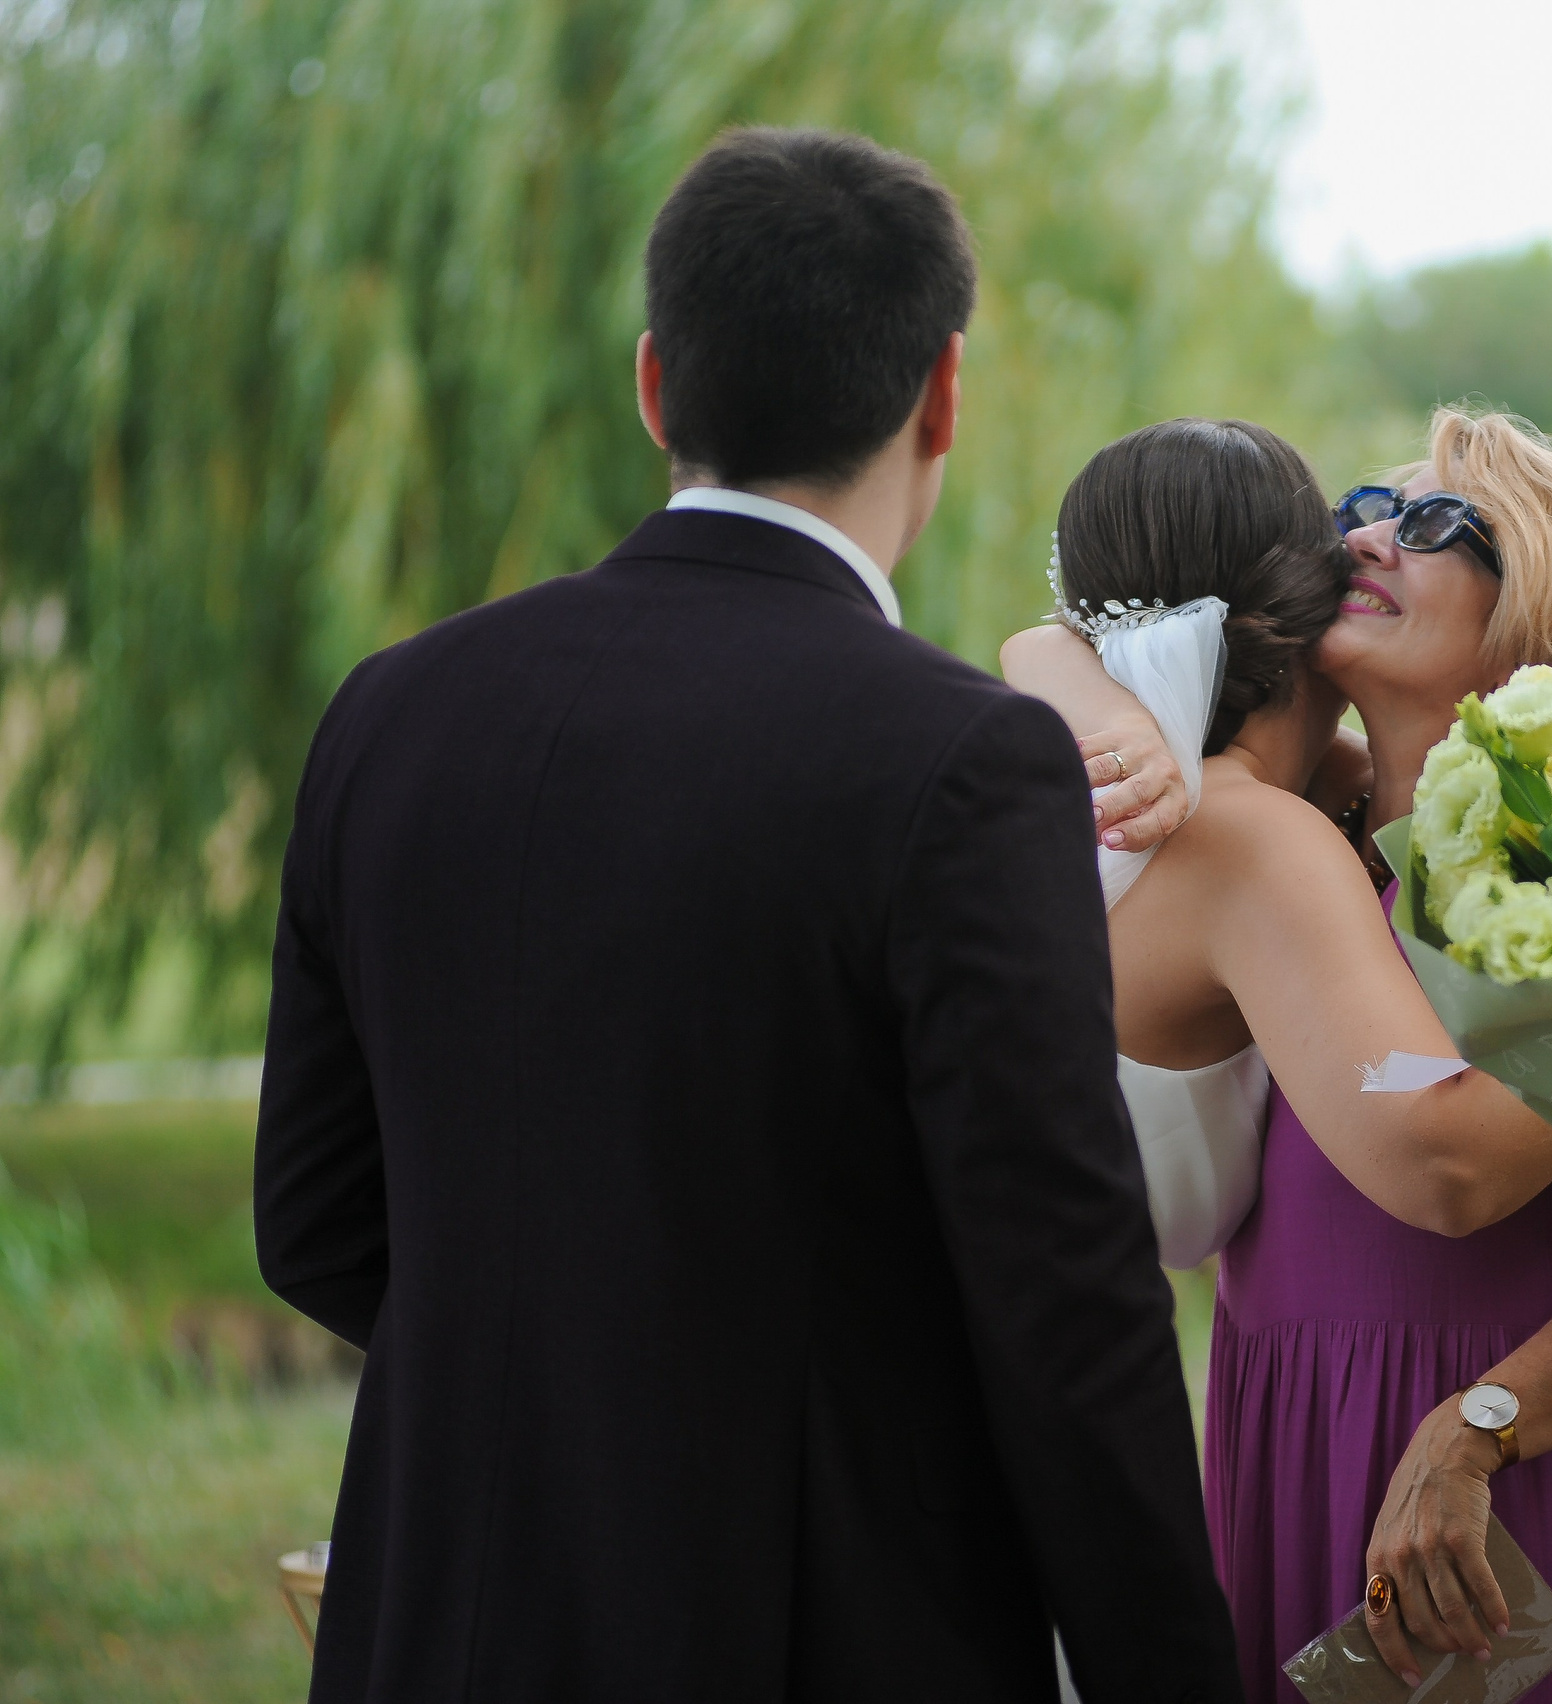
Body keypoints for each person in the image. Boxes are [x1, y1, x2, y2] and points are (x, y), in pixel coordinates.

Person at [253, 128, 1242, 1703]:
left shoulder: (392, 711)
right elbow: (1065, 1305)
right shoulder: (965, 760)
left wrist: (563, 1359)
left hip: (432, 1615)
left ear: (656, 385)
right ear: (942, 395)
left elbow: (312, 1216)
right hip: (813, 1625)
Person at [1008, 409, 1552, 1703]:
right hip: (1309, 1484)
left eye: (1443, 524)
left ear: (1551, 618)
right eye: (1370, 505)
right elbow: (1051, 637)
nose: (1373, 534)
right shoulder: (1303, 833)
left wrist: (1487, 1423)